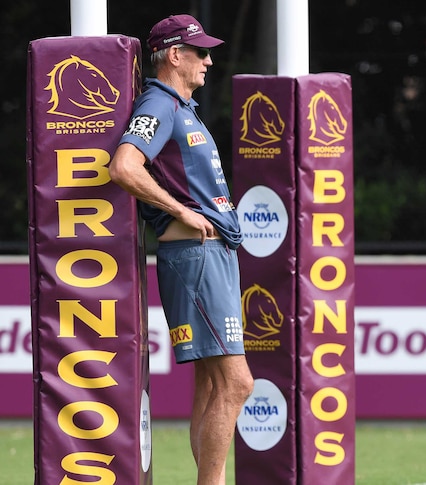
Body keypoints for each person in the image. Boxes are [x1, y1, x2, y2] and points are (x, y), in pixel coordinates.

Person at [109, 14, 253, 485]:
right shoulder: (159, 103)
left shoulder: (180, 106)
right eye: (201, 52)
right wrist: (183, 212)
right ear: (175, 55)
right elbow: (125, 167)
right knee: (237, 382)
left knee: (213, 384)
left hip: (209, 255)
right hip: (195, 257)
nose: (209, 60)